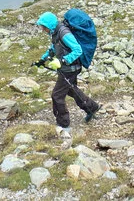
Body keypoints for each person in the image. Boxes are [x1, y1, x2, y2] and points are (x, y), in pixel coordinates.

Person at [34, 12, 100, 140]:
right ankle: (92, 107)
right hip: (67, 68)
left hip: (70, 68)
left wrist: (62, 61)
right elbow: (54, 48)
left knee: (57, 95)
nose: (42, 29)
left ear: (49, 25)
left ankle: (63, 125)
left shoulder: (64, 33)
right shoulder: (55, 32)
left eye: (43, 26)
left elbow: (77, 50)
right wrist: (42, 60)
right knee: (70, 89)